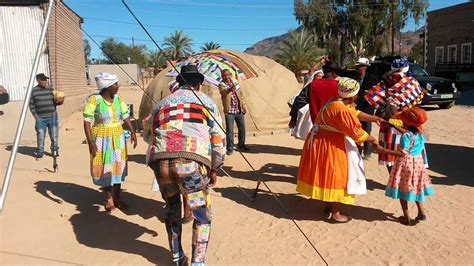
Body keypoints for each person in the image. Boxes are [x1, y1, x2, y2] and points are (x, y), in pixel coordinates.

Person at [144, 64, 225, 265]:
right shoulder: (206, 102)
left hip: (162, 165)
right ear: (198, 85)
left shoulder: (160, 104)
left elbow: (148, 136)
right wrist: (215, 168)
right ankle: (198, 262)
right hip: (190, 165)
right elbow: (219, 141)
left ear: (179, 82)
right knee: (201, 215)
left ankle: (177, 257)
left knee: (172, 209)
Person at [296, 77, 384, 223]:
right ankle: (336, 213)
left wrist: (373, 118)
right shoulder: (340, 108)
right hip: (332, 144)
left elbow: (354, 113)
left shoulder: (336, 101)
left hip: (324, 141)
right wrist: (373, 140)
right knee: (339, 176)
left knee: (328, 173)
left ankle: (328, 205)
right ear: (354, 95)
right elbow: (356, 131)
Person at [83, 72, 137, 212]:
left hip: (118, 136)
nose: (118, 86)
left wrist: (132, 132)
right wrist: (90, 142)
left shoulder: (119, 99)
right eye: (115, 84)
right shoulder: (94, 100)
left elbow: (125, 116)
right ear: (107, 87)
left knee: (118, 165)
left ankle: (118, 197)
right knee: (105, 167)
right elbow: (87, 121)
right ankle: (108, 198)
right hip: (101, 137)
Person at [375, 107, 433, 226]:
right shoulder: (422, 133)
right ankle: (422, 213)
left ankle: (407, 218)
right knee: (416, 188)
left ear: (406, 122)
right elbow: (408, 133)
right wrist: (393, 125)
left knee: (403, 190)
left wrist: (383, 149)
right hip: (418, 163)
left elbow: (402, 152)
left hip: (406, 164)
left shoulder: (406, 136)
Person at [289, 60, 340, 128]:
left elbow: (299, 101)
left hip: (317, 128)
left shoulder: (312, 85)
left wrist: (293, 118)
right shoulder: (340, 86)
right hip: (336, 129)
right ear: (334, 73)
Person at [218, 69, 249, 155]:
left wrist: (243, 106)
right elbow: (223, 92)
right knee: (230, 131)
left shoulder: (235, 82)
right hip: (230, 111)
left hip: (238, 109)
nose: (226, 77)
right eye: (224, 76)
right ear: (222, 76)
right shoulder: (221, 84)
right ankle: (230, 148)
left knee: (242, 128)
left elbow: (241, 95)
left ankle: (241, 144)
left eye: (228, 75)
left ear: (230, 75)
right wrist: (230, 88)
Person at [354, 58, 379, 159]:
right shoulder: (354, 77)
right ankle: (357, 150)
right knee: (355, 129)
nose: (357, 68)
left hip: (367, 108)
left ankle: (367, 151)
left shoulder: (373, 79)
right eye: (357, 66)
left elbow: (377, 93)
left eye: (359, 66)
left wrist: (369, 94)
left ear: (365, 67)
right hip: (355, 108)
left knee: (366, 129)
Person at [29, 73, 59, 159]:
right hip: (40, 118)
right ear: (38, 81)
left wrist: (60, 100)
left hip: (52, 116)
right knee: (41, 134)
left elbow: (56, 102)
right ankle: (40, 152)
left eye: (46, 79)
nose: (46, 81)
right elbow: (31, 105)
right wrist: (36, 117)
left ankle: (55, 151)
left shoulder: (51, 89)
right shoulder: (33, 91)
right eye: (43, 80)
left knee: (54, 135)